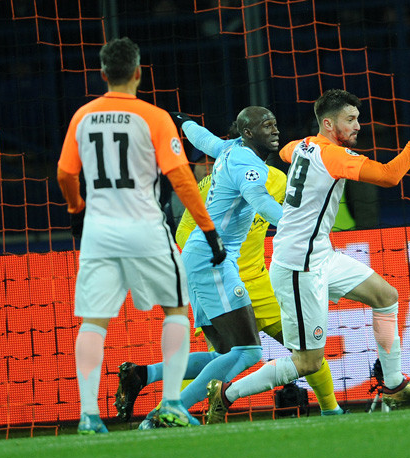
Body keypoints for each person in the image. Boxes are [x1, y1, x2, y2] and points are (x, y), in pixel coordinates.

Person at [206, 89, 410, 423]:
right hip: (298, 266)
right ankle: (226, 394)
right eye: (351, 119)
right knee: (308, 362)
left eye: (358, 119)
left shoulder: (301, 145)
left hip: (320, 255)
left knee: (386, 296)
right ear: (329, 124)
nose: (358, 125)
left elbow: (286, 151)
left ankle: (394, 385)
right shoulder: (333, 156)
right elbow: (389, 176)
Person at [56, 37, 225, 434]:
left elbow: (65, 173)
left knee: (94, 322)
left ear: (103, 74)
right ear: (137, 73)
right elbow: (181, 178)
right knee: (175, 311)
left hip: (100, 230)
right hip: (145, 227)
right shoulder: (153, 116)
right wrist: (208, 229)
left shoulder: (83, 116)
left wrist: (76, 209)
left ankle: (88, 415)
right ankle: (171, 404)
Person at [115, 152, 346, 423]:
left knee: (304, 349)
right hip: (220, 282)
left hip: (260, 286)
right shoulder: (211, 184)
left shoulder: (278, 180)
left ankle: (331, 410)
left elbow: (296, 222)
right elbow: (183, 232)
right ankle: (161, 413)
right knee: (227, 358)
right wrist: (216, 256)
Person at [122, 106, 283, 428]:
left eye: (275, 123)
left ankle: (144, 375)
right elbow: (260, 200)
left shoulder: (230, 148)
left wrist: (184, 122)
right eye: (267, 125)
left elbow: (205, 140)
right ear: (248, 133)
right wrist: (300, 227)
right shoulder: (248, 164)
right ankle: (168, 412)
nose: (275, 130)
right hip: (214, 260)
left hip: (200, 257)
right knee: (249, 351)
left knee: (223, 353)